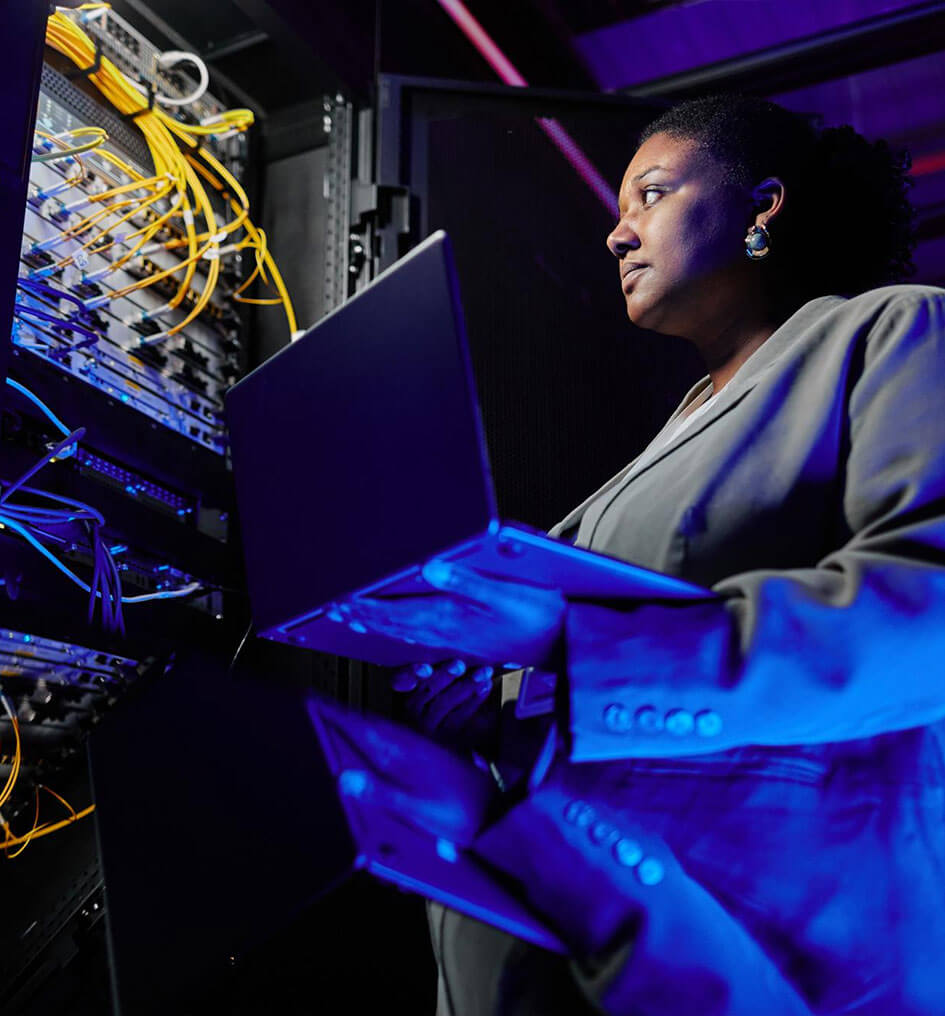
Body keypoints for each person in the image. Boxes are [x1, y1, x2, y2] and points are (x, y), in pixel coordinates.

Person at [359, 94, 945, 1014]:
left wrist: (566, 641)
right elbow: (607, 688)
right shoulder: (661, 442)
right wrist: (496, 698)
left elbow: (928, 614)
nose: (616, 235)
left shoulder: (893, 331)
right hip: (581, 939)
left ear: (762, 206)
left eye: (651, 195)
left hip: (770, 950)